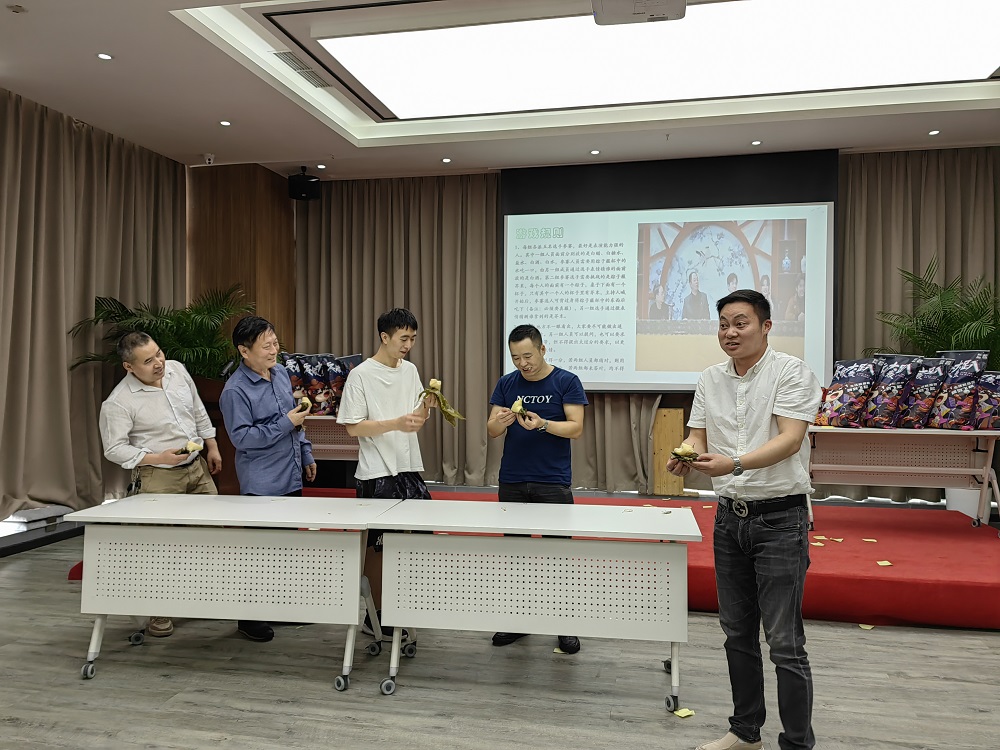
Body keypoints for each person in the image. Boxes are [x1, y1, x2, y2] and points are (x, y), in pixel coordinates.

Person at [668, 289, 820, 750]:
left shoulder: (791, 372)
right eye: (723, 325)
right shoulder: (709, 378)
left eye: (741, 323)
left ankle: (797, 743)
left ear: (766, 326)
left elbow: (790, 440)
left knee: (784, 642)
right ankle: (744, 732)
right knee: (736, 633)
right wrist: (686, 455)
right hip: (729, 520)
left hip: (780, 519)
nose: (730, 333)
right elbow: (697, 435)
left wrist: (734, 463)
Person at [99, 331, 223, 638]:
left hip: (196, 468)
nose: (158, 363)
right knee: (160, 546)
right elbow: (114, 449)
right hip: (158, 475)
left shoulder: (176, 370)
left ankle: (205, 595)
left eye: (158, 353)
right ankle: (159, 611)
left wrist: (212, 445)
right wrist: (157, 457)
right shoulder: (118, 402)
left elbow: (197, 409)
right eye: (148, 360)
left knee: (216, 530)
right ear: (129, 367)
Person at [486, 324, 588, 654]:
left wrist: (543, 424)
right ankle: (517, 621)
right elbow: (491, 430)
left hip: (552, 481)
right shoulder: (507, 383)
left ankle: (564, 624)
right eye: (516, 358)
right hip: (512, 480)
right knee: (514, 555)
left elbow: (576, 428)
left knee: (559, 557)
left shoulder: (566, 381)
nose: (523, 364)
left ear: (543, 350)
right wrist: (500, 422)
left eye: (528, 356)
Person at [336, 308, 436, 638]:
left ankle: (400, 606)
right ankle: (374, 615)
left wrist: (426, 408)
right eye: (403, 338)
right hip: (376, 471)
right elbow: (353, 427)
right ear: (384, 337)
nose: (408, 345)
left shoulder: (410, 370)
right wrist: (395, 423)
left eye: (413, 339)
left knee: (413, 542)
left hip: (408, 467)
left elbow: (415, 417)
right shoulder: (361, 375)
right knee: (377, 548)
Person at [220, 315, 317, 643]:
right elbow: (242, 438)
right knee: (259, 553)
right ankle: (248, 618)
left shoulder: (280, 374)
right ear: (244, 351)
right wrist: (286, 424)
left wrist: (306, 453)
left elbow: (296, 419)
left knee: (286, 549)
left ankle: (278, 607)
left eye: (275, 343)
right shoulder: (235, 390)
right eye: (266, 346)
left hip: (290, 473)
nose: (274, 350)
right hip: (262, 482)